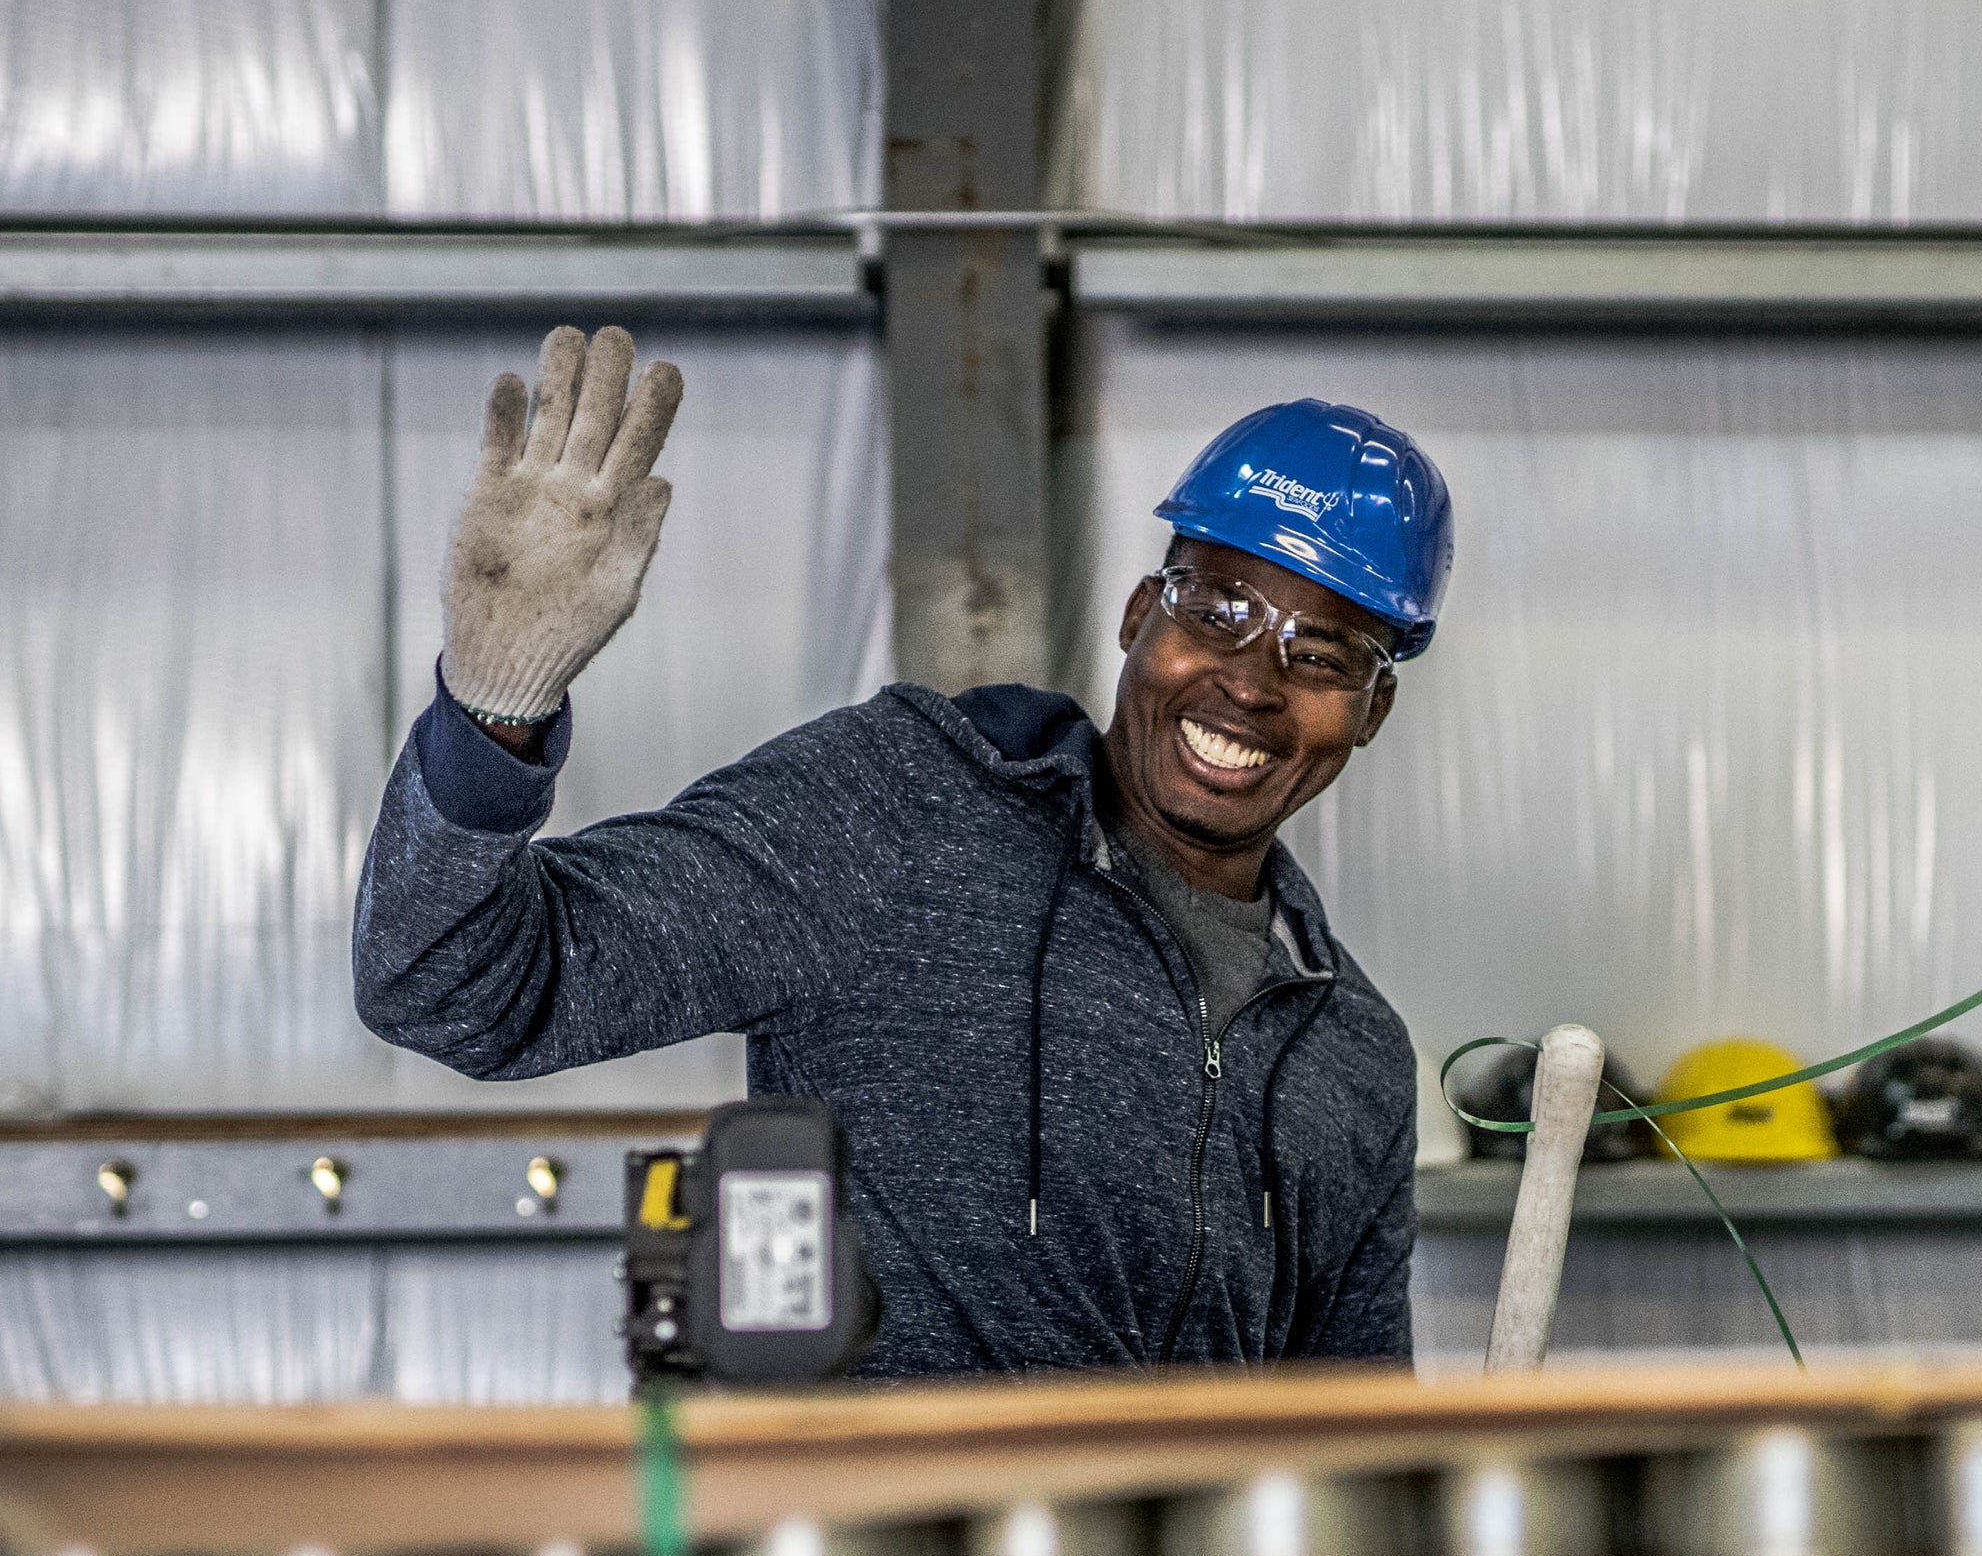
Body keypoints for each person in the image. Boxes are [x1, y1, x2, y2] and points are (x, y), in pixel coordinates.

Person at [351, 324, 1453, 1377]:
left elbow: (1349, 1440)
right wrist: (495, 707)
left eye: (1321, 653)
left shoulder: (1349, 1056)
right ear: (1136, 617)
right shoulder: (901, 810)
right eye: (1216, 609)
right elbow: (452, 985)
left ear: (1374, 708)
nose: (1252, 683)